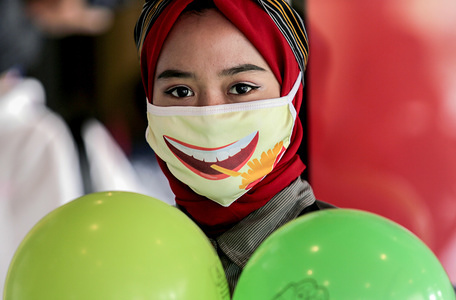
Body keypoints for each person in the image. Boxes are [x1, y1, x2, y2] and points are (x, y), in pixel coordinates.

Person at [134, 0, 333, 293]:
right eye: (180, 92)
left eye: (241, 88)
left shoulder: (348, 259)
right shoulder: (134, 263)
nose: (209, 116)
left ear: (292, 92)